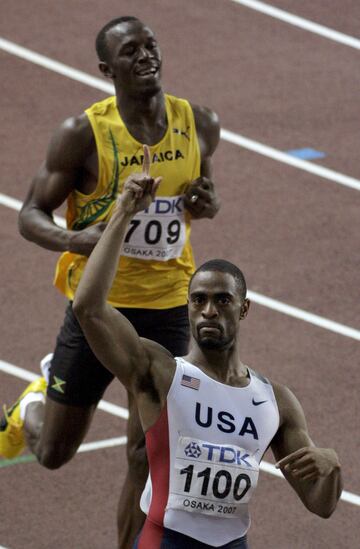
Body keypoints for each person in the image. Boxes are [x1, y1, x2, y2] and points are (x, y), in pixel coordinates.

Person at [0, 16, 220, 548]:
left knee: (146, 456)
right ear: (106, 68)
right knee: (53, 453)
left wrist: (203, 203)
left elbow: (206, 192)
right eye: (130, 51)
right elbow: (30, 214)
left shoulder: (199, 123)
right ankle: (30, 404)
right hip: (99, 307)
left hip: (169, 305)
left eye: (151, 45)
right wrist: (79, 240)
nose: (146, 56)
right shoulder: (84, 135)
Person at [72, 149, 342, 548]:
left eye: (222, 300)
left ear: (244, 307)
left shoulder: (275, 402)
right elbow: (88, 307)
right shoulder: (160, 372)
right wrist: (124, 213)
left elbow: (320, 505)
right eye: (198, 300)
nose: (208, 311)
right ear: (188, 307)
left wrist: (332, 468)